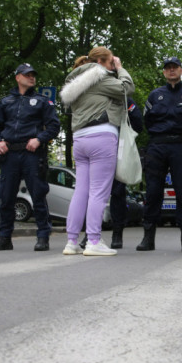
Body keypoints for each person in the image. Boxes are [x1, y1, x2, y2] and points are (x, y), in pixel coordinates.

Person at [60, 47, 134, 256]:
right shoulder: (99, 77)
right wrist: (120, 68)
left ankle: (72, 241)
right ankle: (93, 240)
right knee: (99, 192)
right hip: (101, 136)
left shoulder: (75, 81)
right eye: (110, 62)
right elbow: (127, 88)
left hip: (79, 139)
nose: (113, 66)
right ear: (102, 61)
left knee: (81, 191)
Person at [0, 63, 60, 252]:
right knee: (6, 197)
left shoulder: (43, 101)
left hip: (32, 154)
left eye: (33, 75)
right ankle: (4, 237)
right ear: (17, 77)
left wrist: (39, 139)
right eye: (27, 75)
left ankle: (43, 236)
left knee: (38, 195)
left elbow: (54, 126)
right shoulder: (5, 102)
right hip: (10, 153)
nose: (31, 77)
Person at [136, 57, 182, 253]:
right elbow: (147, 121)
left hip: (181, 146)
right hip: (158, 145)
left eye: (175, 67)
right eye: (168, 68)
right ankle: (148, 237)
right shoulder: (155, 95)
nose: (171, 71)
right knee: (153, 191)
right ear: (164, 72)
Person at [107, 97, 144, 249]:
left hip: (118, 149)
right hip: (96, 148)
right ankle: (91, 233)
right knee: (94, 192)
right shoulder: (94, 95)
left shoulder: (123, 99)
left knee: (117, 192)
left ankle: (117, 233)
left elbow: (138, 124)